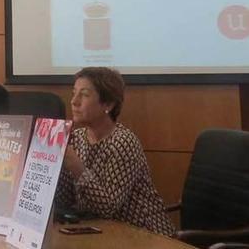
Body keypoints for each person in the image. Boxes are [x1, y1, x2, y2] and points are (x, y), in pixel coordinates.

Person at [56, 67, 175, 236]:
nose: (74, 101)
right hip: (99, 231)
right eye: (74, 93)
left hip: (144, 234)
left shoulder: (123, 142)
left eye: (84, 94)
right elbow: (65, 201)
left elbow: (108, 208)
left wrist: (75, 165)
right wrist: (54, 166)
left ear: (108, 104)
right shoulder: (76, 137)